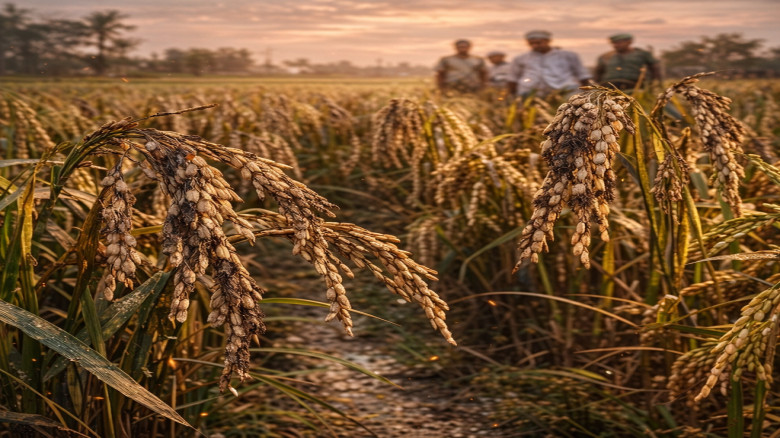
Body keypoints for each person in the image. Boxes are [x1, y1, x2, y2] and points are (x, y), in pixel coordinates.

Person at [507, 30, 591, 98]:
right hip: (531, 93)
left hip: (565, 91)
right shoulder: (520, 58)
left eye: (538, 43)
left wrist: (588, 93)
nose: (535, 46)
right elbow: (513, 78)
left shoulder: (568, 55)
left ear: (548, 41)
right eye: (531, 43)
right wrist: (512, 96)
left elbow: (582, 75)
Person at [594, 33, 662, 90]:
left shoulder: (642, 54)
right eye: (614, 43)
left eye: (619, 43)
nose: (616, 45)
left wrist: (656, 83)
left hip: (636, 87)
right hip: (610, 87)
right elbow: (598, 72)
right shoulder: (605, 56)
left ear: (629, 42)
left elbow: (654, 68)